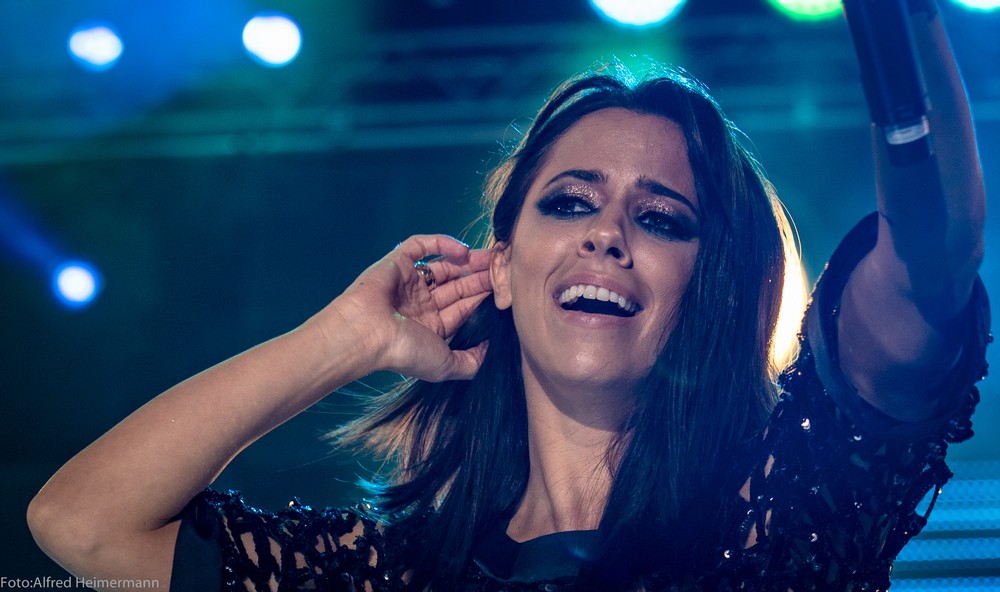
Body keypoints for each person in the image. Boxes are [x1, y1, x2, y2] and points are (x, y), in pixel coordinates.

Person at [28, 2, 989, 591]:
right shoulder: (388, 575)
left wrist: (896, 18)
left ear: (717, 288)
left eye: (662, 219)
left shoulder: (788, 511)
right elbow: (83, 524)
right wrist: (344, 341)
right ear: (503, 263)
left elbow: (931, 260)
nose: (605, 234)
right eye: (569, 202)